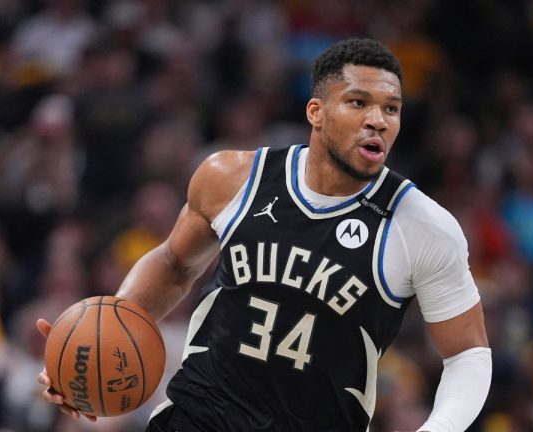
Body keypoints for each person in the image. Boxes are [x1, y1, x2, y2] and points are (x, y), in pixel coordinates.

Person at [37, 38, 491, 431]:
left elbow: (469, 354)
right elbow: (175, 264)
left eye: (390, 109)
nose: (378, 120)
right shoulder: (232, 177)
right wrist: (94, 348)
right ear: (316, 111)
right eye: (358, 102)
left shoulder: (422, 226)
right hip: (201, 416)